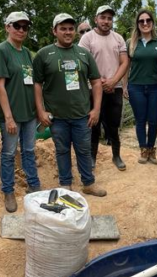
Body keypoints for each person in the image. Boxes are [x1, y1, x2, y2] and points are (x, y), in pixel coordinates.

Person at [34, 13, 107, 197]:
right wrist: (40, 110)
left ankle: (88, 183)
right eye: (63, 28)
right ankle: (65, 184)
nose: (67, 32)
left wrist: (96, 108)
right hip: (57, 117)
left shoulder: (83, 53)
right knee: (62, 150)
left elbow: (96, 81)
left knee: (84, 149)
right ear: (54, 31)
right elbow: (37, 84)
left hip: (82, 115)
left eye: (70, 29)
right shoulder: (44, 54)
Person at [0, 11, 42, 213]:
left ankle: (34, 184)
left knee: (29, 150)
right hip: (11, 115)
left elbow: (32, 83)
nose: (21, 30)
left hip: (29, 113)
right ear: (7, 27)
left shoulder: (27, 53)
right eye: (17, 26)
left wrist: (38, 110)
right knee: (9, 153)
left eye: (25, 27)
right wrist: (9, 117)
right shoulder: (1, 51)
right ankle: (8, 191)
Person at [78, 5, 129, 170]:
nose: (106, 21)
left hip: (115, 88)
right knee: (93, 123)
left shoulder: (118, 38)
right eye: (103, 17)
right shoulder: (87, 39)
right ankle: (92, 157)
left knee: (113, 124)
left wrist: (113, 81)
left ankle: (116, 156)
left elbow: (125, 62)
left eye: (109, 18)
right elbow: (82, 63)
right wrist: (99, 82)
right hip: (93, 88)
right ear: (96, 19)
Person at [125, 9, 157, 165]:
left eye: (148, 20)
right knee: (140, 120)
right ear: (137, 24)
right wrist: (124, 86)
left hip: (155, 87)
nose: (145, 23)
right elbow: (125, 66)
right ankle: (143, 150)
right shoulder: (131, 43)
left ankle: (151, 149)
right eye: (141, 21)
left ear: (153, 22)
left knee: (154, 120)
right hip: (136, 87)